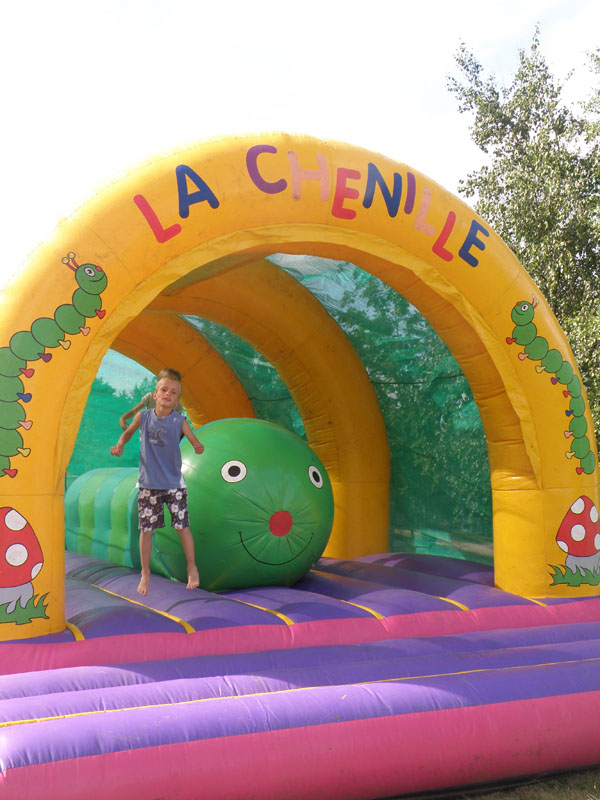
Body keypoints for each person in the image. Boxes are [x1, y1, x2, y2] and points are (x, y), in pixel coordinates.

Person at [110, 368, 204, 596]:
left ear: (177, 400)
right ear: (155, 394)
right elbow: (128, 433)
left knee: (182, 526)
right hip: (149, 484)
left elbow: (193, 439)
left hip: (174, 484)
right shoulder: (143, 417)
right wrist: (120, 443)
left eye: (173, 392)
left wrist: (197, 446)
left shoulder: (180, 420)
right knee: (147, 530)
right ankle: (145, 572)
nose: (167, 394)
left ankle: (192, 567)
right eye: (163, 390)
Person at [119, 368, 185, 430]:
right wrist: (123, 418)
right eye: (164, 388)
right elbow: (134, 410)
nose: (168, 393)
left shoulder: (176, 404)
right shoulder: (150, 397)